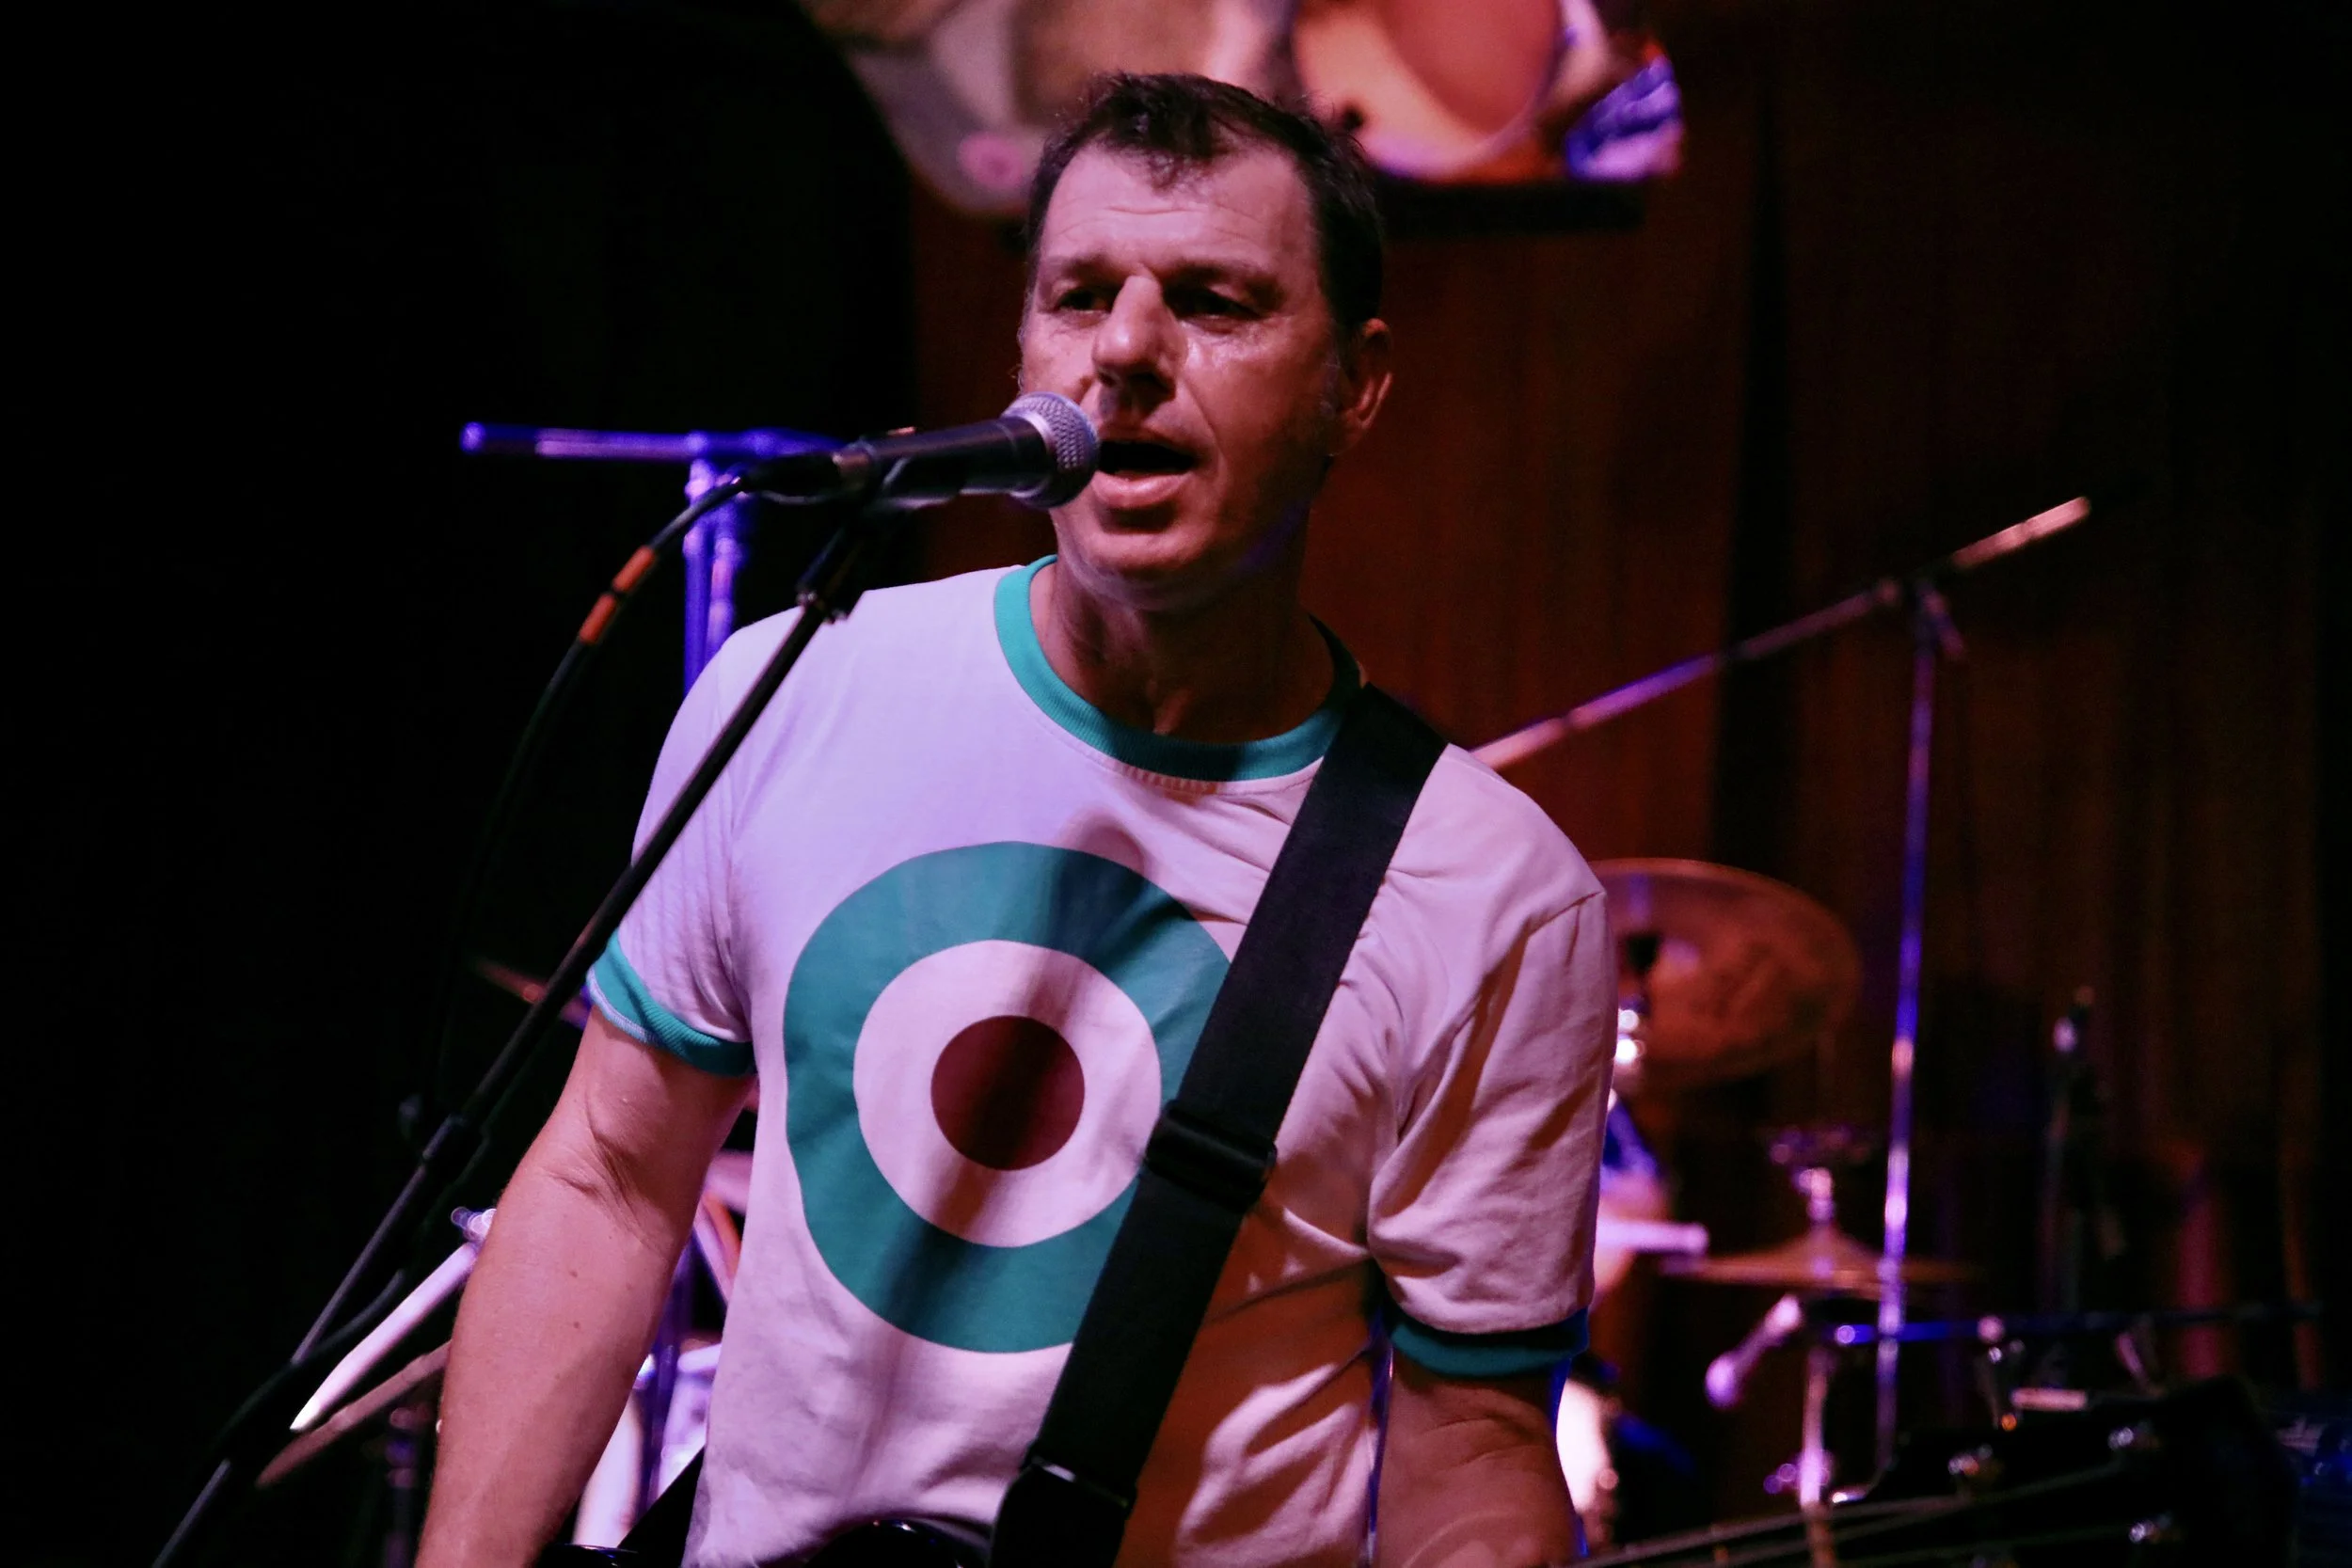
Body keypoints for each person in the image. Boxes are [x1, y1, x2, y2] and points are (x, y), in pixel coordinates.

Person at [419, 72, 1614, 1568]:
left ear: (1353, 388)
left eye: (1216, 301)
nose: (1126, 350)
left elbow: (1475, 1443)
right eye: (1079, 296)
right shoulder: (799, 691)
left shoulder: (1492, 890)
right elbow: (605, 1172)